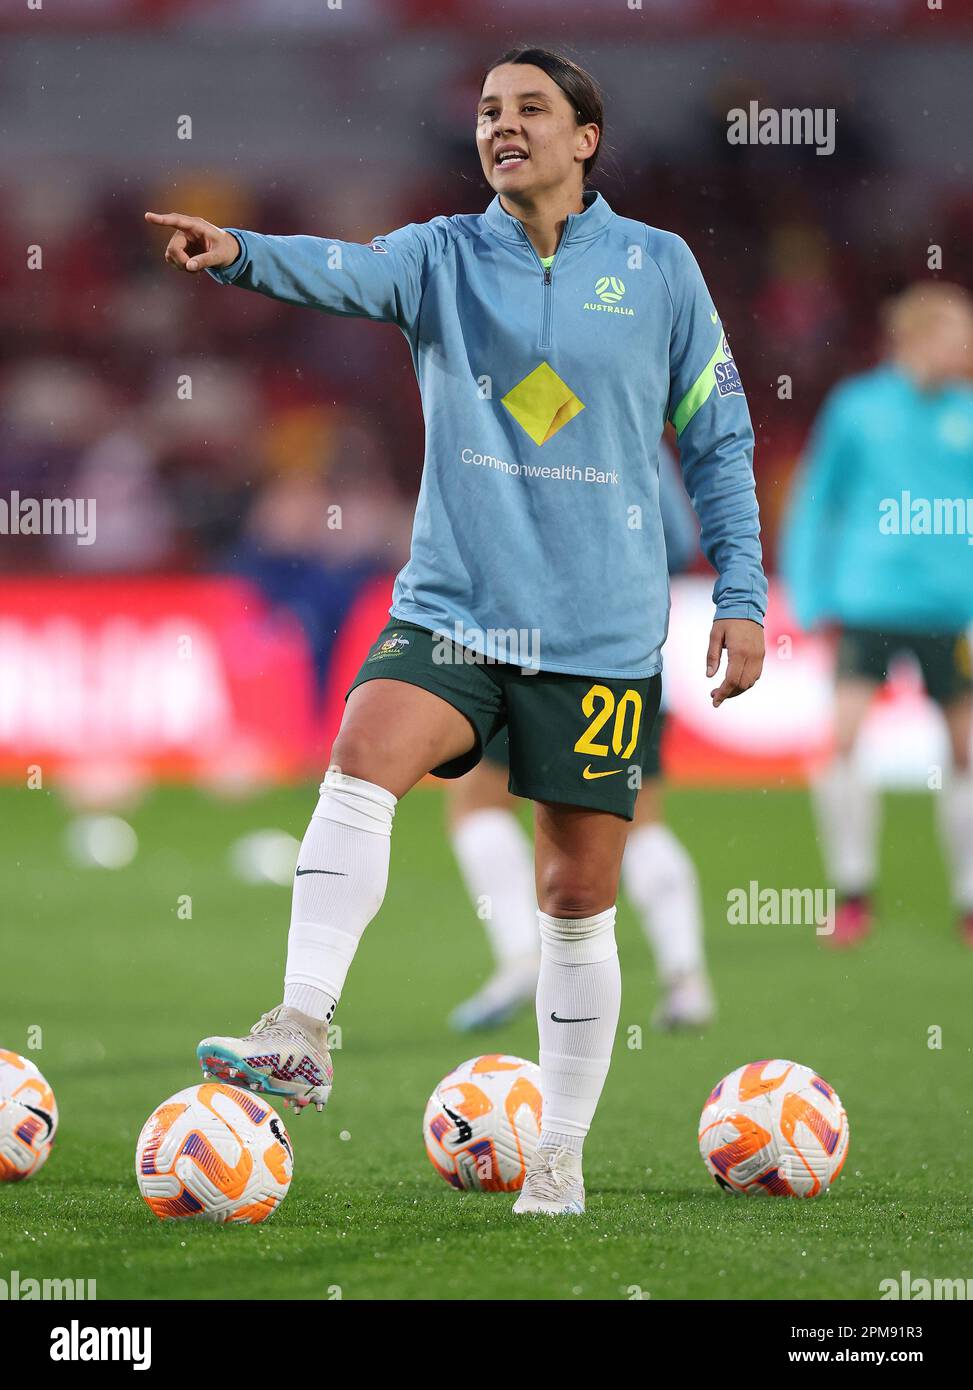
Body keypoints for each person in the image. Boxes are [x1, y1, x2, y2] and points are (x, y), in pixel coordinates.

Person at [146, 45, 766, 1215]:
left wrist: (740, 595)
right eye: (488, 111)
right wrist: (239, 255)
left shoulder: (661, 268)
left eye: (531, 108)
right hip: (456, 605)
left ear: (586, 137)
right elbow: (340, 270)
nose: (502, 126)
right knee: (364, 747)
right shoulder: (438, 254)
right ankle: (301, 1023)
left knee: (575, 897)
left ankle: (561, 1151)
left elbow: (719, 441)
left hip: (601, 631)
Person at [447, 441, 714, 1033]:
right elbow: (677, 539)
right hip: (621, 659)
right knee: (639, 821)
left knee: (476, 806)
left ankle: (520, 955)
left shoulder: (513, 414)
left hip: (524, 653)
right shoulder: (628, 422)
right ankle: (686, 977)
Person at [782, 283, 973, 947]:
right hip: (866, 602)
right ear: (919, 337)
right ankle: (853, 891)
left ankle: (968, 901)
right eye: (956, 333)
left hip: (951, 610)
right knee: (841, 742)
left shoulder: (967, 412)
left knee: (963, 750)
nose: (966, 346)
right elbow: (816, 501)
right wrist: (810, 595)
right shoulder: (857, 408)